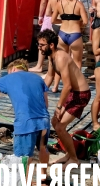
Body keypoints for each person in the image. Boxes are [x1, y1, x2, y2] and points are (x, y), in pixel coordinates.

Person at [38, 29, 90, 166]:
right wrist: (38, 92)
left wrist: (59, 107)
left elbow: (66, 86)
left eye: (42, 45)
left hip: (81, 94)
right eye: (39, 45)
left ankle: (74, 159)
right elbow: (49, 76)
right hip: (73, 93)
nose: (39, 48)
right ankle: (69, 154)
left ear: (51, 45)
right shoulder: (51, 56)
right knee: (56, 124)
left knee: (60, 127)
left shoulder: (61, 57)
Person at [29, 0, 65, 73]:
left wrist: (40, 16)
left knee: (43, 40)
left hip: (49, 14)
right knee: (57, 42)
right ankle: (55, 67)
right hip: (61, 15)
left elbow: (43, 1)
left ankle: (39, 65)